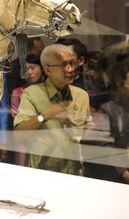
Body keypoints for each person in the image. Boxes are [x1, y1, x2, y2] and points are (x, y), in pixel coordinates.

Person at [14, 44, 91, 175]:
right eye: (65, 64)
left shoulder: (82, 95)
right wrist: (44, 115)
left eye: (72, 63)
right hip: (44, 173)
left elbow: (86, 129)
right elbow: (19, 134)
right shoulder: (31, 94)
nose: (71, 69)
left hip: (75, 171)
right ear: (48, 70)